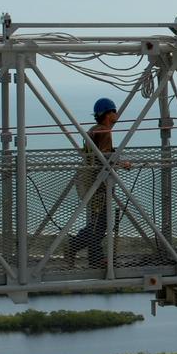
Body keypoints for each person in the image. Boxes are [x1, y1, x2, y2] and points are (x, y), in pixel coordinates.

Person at [72, 97, 123, 269]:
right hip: (99, 184)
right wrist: (123, 163)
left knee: (97, 222)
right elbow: (105, 159)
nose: (117, 115)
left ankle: (94, 256)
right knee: (101, 224)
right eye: (114, 111)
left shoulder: (93, 130)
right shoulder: (104, 132)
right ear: (108, 114)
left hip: (90, 181)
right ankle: (76, 246)